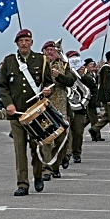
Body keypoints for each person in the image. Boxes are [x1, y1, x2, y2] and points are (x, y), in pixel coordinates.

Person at [0, 28, 53, 196]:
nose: (24, 43)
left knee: (36, 147)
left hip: (36, 113)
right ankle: (22, 183)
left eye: (27, 41)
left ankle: (37, 174)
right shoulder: (9, 62)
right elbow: (3, 86)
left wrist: (47, 91)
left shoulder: (41, 60)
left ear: (31, 42)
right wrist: (8, 104)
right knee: (19, 149)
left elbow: (50, 83)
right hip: (16, 113)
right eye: (21, 41)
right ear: (16, 43)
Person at [41, 41, 76, 180]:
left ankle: (57, 165)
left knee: (62, 138)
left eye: (52, 50)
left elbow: (71, 80)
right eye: (47, 50)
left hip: (60, 105)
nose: (50, 52)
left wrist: (59, 76)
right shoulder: (39, 63)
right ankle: (47, 169)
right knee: (47, 138)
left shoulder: (64, 64)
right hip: (44, 105)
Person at [82, 58, 102, 141]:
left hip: (94, 97)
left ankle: (78, 128)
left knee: (90, 118)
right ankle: (96, 135)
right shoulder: (85, 76)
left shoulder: (92, 74)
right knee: (94, 118)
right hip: (89, 98)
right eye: (90, 65)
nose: (92, 66)